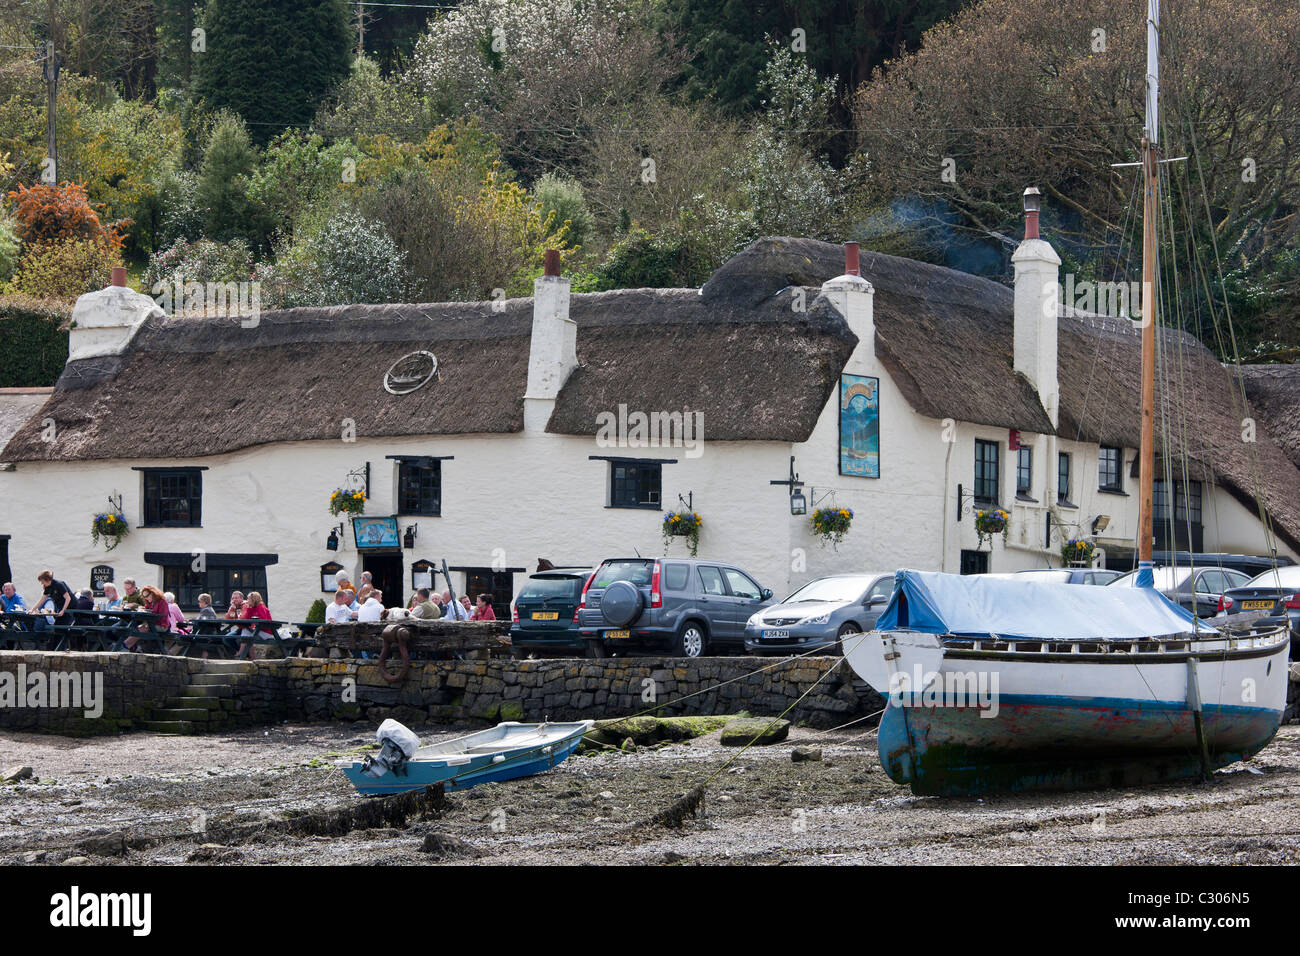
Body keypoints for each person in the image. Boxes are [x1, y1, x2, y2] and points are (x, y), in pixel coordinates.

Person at [125, 585, 169, 651]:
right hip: (150, 624)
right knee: (135, 627)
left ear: (153, 593)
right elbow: (146, 609)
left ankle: (125, 645)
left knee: (142, 628)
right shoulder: (149, 602)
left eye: (147, 596)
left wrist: (151, 613)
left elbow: (163, 616)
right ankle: (131, 647)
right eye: (144, 597)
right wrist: (141, 608)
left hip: (162, 625)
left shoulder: (162, 602)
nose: (146, 598)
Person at [236, 591, 272, 659]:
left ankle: (242, 653)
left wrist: (255, 622)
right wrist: (249, 608)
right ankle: (252, 657)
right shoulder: (253, 608)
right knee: (247, 635)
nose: (247, 601)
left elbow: (264, 621)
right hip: (259, 631)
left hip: (266, 632)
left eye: (248, 599)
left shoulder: (261, 607)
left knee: (246, 632)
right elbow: (247, 619)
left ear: (253, 599)